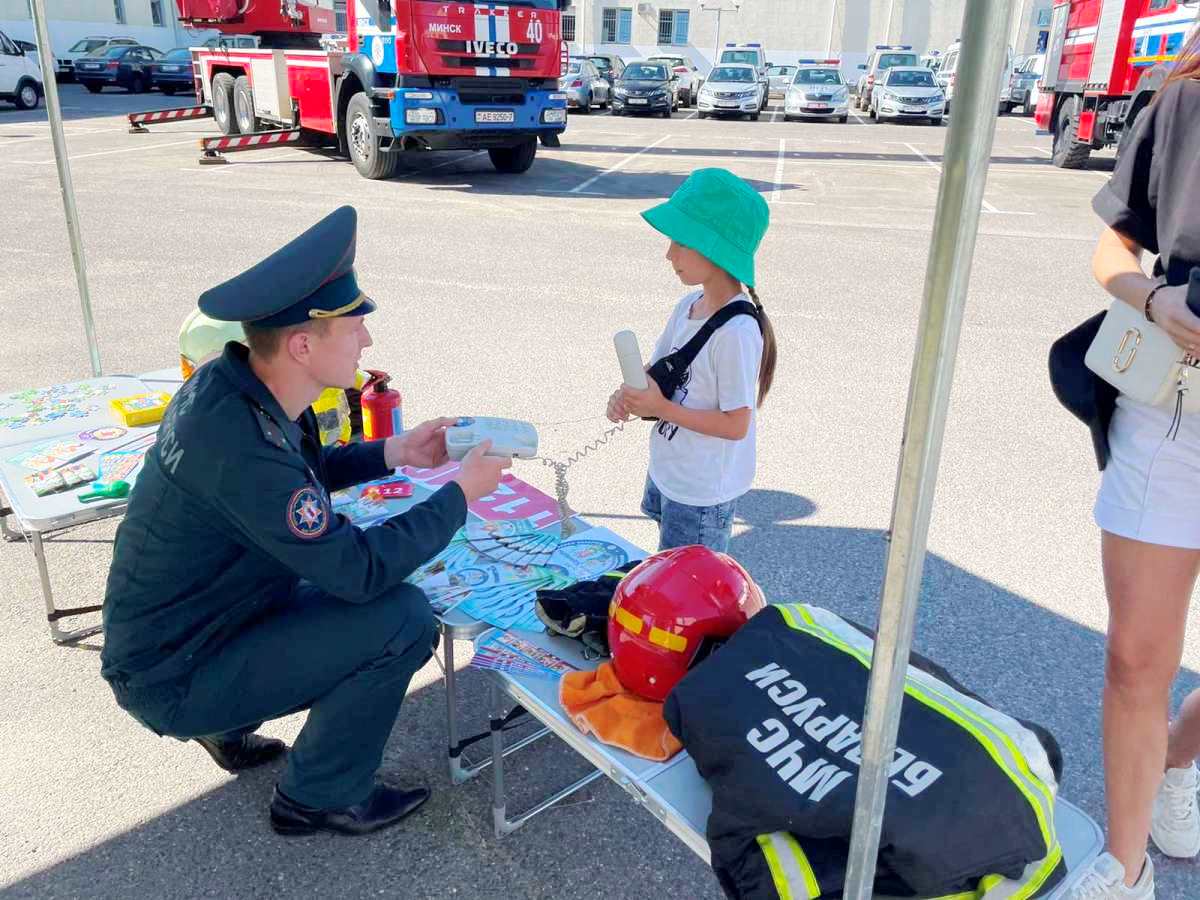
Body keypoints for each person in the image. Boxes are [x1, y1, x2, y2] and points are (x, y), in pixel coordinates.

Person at [100, 206, 510, 837]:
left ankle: (226, 725)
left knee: (322, 588)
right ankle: (317, 797)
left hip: (194, 631)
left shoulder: (237, 387)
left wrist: (393, 452)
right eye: (353, 328)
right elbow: (359, 572)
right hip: (174, 673)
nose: (367, 342)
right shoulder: (244, 444)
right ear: (302, 343)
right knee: (401, 619)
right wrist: (460, 494)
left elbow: (299, 478)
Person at [1068, 36, 1200, 900]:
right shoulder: (1184, 102)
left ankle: (1175, 769)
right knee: (1135, 657)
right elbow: (1112, 250)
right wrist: (1155, 299)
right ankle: (1125, 866)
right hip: (1178, 401)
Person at [605, 167, 777, 553]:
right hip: (672, 470)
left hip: (701, 492)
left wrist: (661, 407)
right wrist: (631, 395)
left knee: (688, 587)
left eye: (681, 242)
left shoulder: (736, 333)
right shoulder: (688, 306)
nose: (669, 254)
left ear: (715, 247)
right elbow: (655, 371)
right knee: (667, 565)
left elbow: (736, 425)